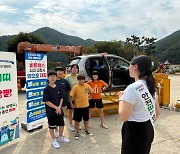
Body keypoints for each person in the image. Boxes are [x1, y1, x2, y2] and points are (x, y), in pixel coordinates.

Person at [118, 55, 160, 154]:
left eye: (129, 65)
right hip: (148, 129)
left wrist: (120, 99)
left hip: (134, 132)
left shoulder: (132, 88)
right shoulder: (151, 87)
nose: (128, 68)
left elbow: (123, 117)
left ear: (135, 67)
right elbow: (157, 112)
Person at [43, 71, 70, 149]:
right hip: (51, 112)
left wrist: (59, 107)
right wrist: (56, 108)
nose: (53, 78)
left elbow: (61, 98)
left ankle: (61, 137)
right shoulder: (46, 89)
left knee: (61, 124)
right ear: (48, 78)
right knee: (52, 126)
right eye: (51, 76)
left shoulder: (58, 87)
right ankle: (54, 140)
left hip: (59, 109)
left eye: (54, 76)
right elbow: (47, 101)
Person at [70, 74, 93, 140]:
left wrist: (90, 97)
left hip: (86, 105)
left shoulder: (87, 86)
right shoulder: (75, 87)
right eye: (80, 80)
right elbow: (71, 96)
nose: (81, 81)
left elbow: (91, 92)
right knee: (77, 120)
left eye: (82, 79)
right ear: (78, 80)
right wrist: (71, 103)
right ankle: (77, 132)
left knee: (86, 119)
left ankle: (86, 130)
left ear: (84, 80)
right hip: (78, 106)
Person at [54, 66, 71, 137]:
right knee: (55, 117)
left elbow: (69, 89)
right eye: (59, 71)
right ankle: (56, 130)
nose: (61, 72)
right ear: (56, 72)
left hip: (64, 103)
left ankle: (61, 131)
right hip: (54, 104)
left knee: (61, 117)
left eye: (62, 71)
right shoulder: (52, 81)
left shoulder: (64, 81)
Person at [65, 64, 79, 132]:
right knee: (70, 111)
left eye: (76, 68)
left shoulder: (79, 77)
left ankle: (76, 124)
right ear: (71, 69)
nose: (75, 69)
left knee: (77, 111)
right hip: (70, 98)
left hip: (78, 98)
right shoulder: (68, 77)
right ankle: (70, 124)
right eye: (73, 68)